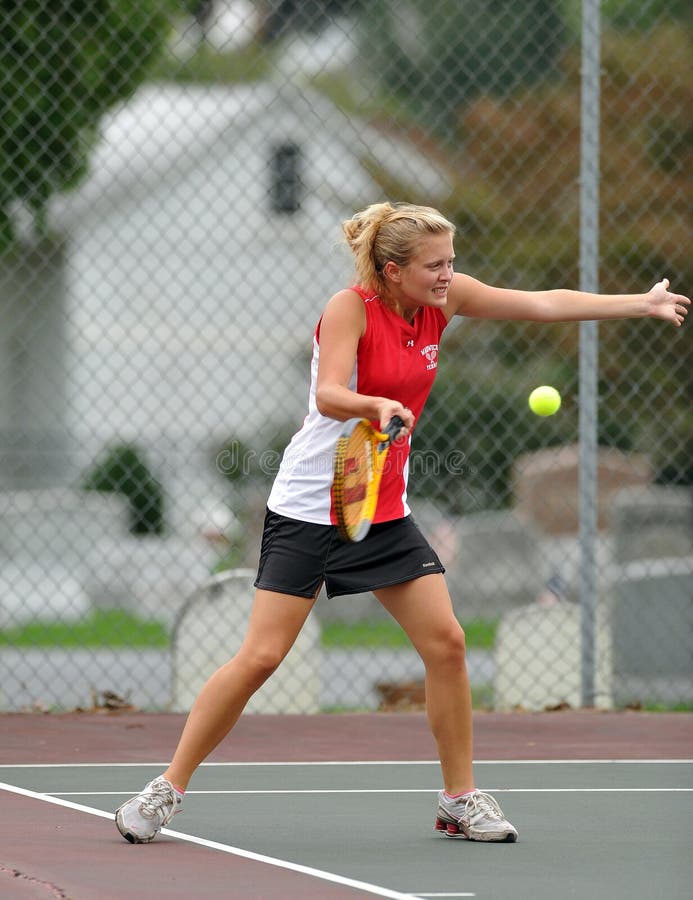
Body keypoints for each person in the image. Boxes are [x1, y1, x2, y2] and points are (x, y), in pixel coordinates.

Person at [115, 201, 689, 845]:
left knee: (447, 643)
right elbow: (330, 392)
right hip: (310, 507)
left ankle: (460, 799)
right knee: (262, 657)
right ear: (392, 270)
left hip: (383, 511)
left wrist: (635, 304)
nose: (448, 273)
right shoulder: (349, 307)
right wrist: (374, 403)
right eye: (433, 264)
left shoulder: (444, 302)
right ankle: (164, 789)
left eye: (451, 261)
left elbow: (542, 302)